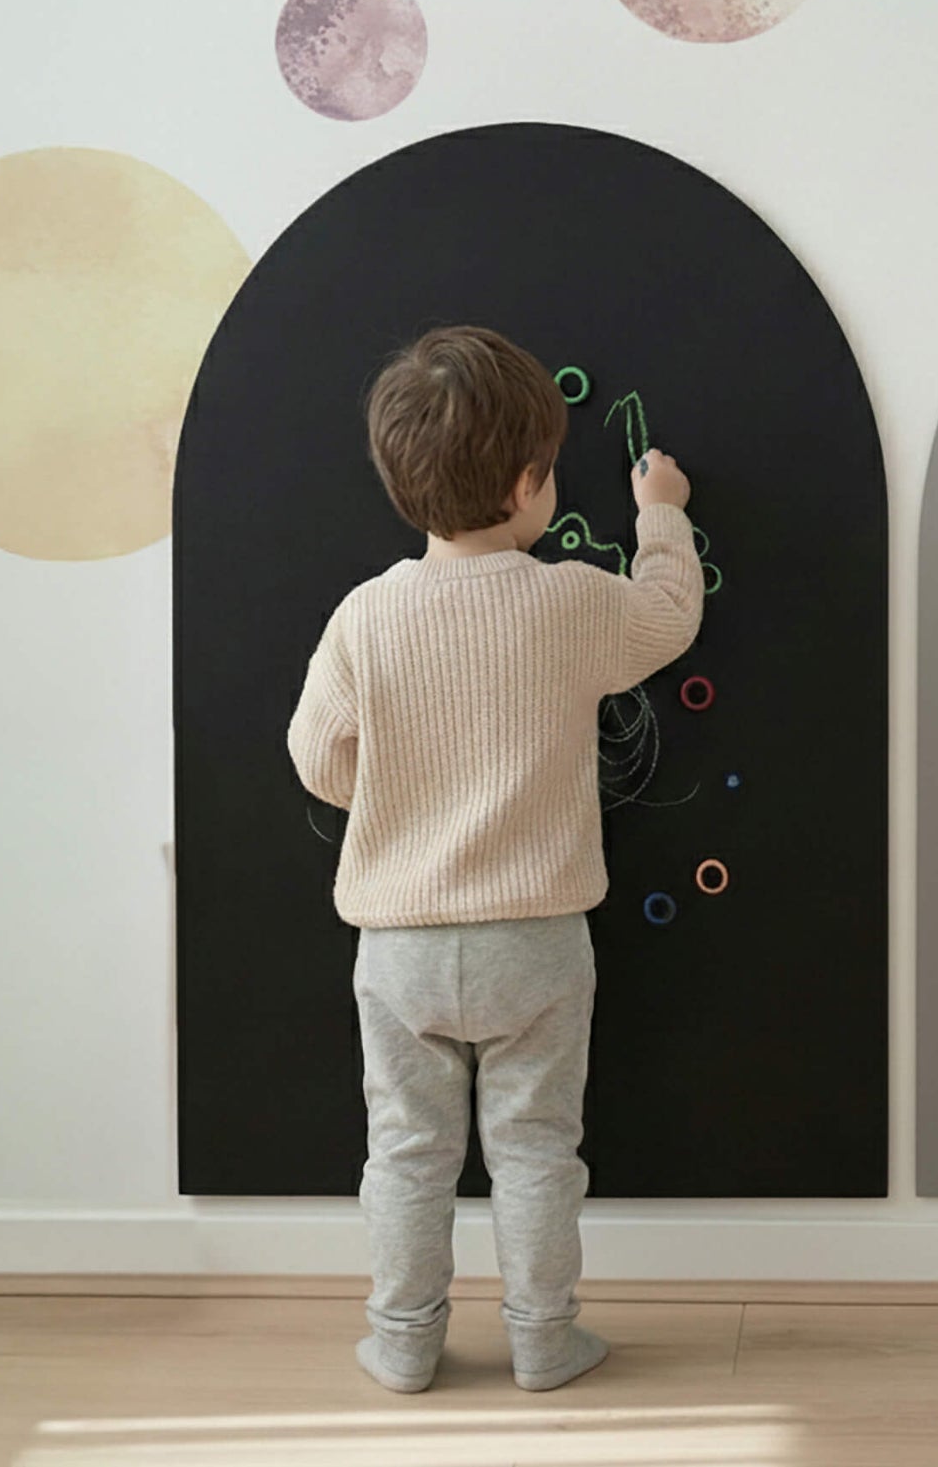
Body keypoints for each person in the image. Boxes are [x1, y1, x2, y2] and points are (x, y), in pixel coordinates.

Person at [287, 325, 702, 1394]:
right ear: (530, 485)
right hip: (537, 939)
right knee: (533, 1151)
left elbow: (316, 755)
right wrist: (660, 514)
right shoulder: (565, 600)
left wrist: (392, 796)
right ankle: (543, 1338)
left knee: (408, 1154)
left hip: (402, 945)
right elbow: (665, 617)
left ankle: (404, 1339)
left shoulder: (365, 617)